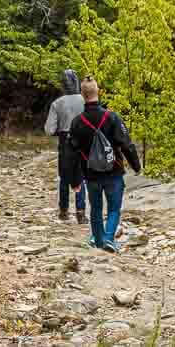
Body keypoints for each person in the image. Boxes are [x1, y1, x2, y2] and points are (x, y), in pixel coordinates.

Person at [68, 78, 141, 253]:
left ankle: (98, 240)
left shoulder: (77, 122)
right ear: (97, 91)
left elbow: (72, 153)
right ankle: (109, 239)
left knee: (96, 208)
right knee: (114, 208)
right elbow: (126, 144)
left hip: (90, 174)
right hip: (113, 171)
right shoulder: (112, 117)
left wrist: (74, 179)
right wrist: (136, 166)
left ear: (82, 95)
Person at [45, 69, 87, 223]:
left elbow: (49, 129)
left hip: (65, 142)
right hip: (82, 142)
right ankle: (81, 213)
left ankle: (63, 212)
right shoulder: (84, 100)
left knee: (64, 177)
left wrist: (60, 131)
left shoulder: (57, 103)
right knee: (81, 177)